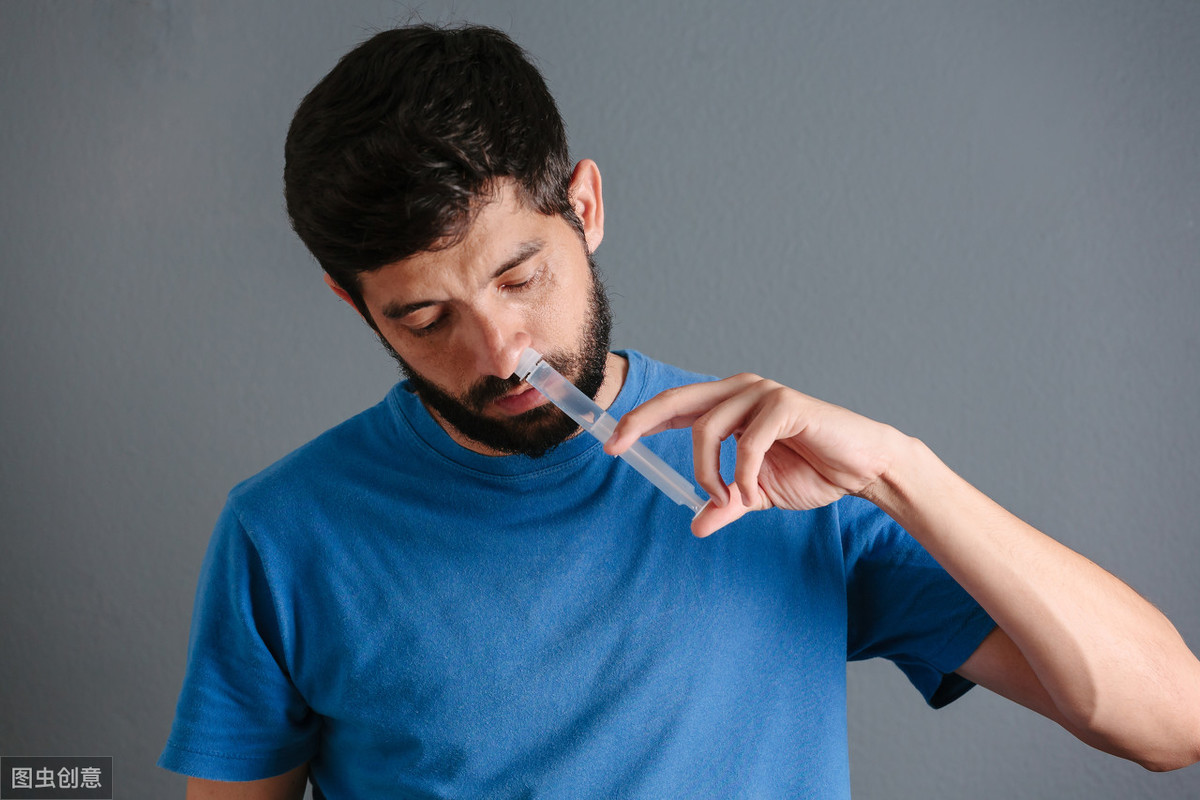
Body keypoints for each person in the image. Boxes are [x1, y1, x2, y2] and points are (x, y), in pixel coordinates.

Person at [160, 23, 1200, 799]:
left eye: (522, 277)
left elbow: (1170, 720)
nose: (501, 352)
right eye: (428, 315)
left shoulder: (783, 477)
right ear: (357, 303)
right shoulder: (284, 534)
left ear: (587, 207)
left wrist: (899, 473)